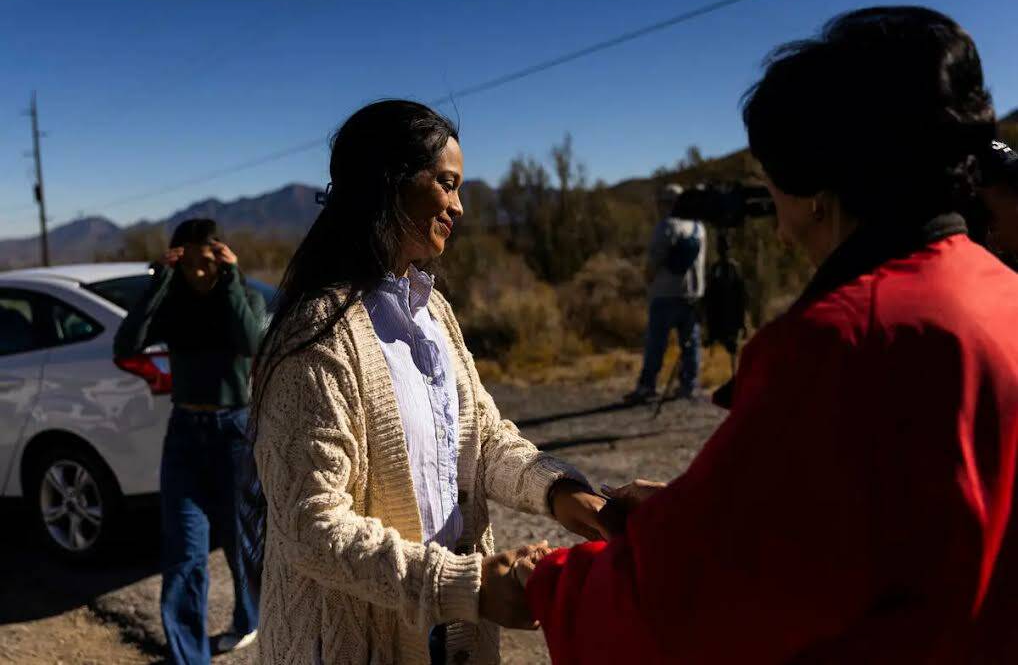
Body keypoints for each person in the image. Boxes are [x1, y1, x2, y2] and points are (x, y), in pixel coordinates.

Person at [521, 7, 1018, 663]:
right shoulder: (996, 288)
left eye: (774, 184)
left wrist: (552, 582)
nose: (779, 225)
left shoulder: (846, 342)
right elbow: (880, 518)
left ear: (818, 189)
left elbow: (687, 612)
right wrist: (687, 511)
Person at [247, 99, 605, 665]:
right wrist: (469, 585)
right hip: (350, 644)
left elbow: (482, 440)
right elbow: (310, 524)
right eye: (446, 183)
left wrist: (559, 491)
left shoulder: (432, 310)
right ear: (389, 184)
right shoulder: (318, 335)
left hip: (451, 635)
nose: (459, 206)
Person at [113, 220, 265, 664]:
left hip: (235, 435)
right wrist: (159, 280)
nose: (200, 271)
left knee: (242, 545)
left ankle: (248, 621)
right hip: (185, 435)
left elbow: (250, 340)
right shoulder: (172, 304)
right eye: (190, 261)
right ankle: (188, 658)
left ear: (219, 255)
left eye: (207, 260)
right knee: (184, 553)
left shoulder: (241, 297)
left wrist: (233, 278)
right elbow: (127, 345)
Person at [624, 183, 707, 404]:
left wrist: (647, 281)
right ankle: (689, 385)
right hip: (693, 295)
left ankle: (647, 386)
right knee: (690, 343)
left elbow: (653, 263)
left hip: (665, 294)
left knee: (656, 344)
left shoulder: (666, 226)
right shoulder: (699, 228)